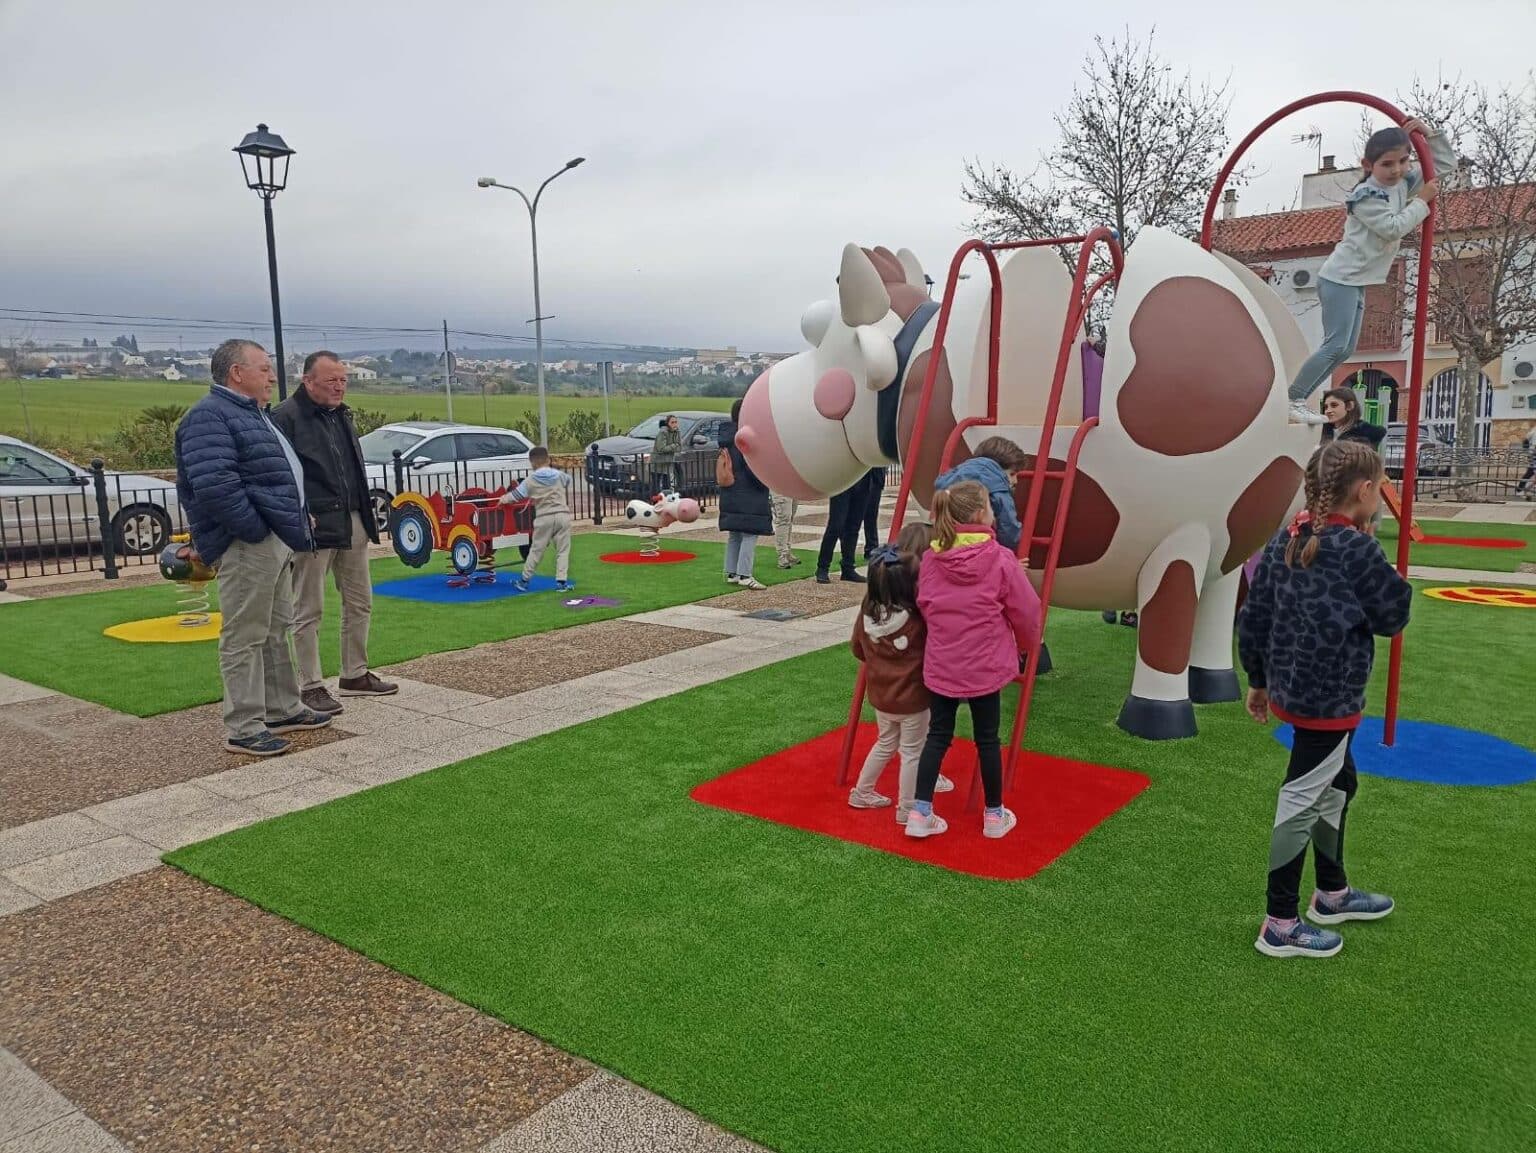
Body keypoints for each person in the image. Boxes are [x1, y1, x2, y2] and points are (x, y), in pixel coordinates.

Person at [1238, 440, 1413, 959]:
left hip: (1298, 690)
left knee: (1339, 783)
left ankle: (1332, 893)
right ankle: (1280, 922)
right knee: (1302, 797)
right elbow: (1393, 616)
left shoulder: (1287, 540)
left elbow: (1254, 615)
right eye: (1381, 487)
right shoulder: (1355, 550)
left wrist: (1258, 679)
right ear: (1365, 490)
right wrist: (1379, 557)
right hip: (1330, 698)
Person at [174, 339, 331, 757]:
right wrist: (256, 529)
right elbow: (215, 486)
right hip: (247, 544)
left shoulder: (251, 413)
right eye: (264, 369)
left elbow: (269, 477)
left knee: (275, 627)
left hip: (272, 539)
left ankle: (281, 708)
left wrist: (290, 518)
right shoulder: (210, 417)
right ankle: (244, 727)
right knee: (244, 635)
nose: (272, 377)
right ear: (236, 373)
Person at [1286, 121, 1455, 425]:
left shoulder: (1400, 184)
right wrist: (1421, 201)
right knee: (1335, 345)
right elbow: (1392, 228)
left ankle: (1299, 400)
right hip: (1339, 278)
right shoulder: (1366, 196)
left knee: (1345, 349)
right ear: (1368, 165)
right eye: (1387, 164)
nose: (1397, 170)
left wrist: (1430, 135)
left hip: (1357, 280)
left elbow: (1442, 167)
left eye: (1403, 161)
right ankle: (1293, 398)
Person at [904, 480, 1042, 841]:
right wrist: (1026, 646)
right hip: (984, 664)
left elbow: (925, 603)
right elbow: (1027, 611)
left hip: (944, 661)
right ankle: (993, 815)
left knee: (938, 735)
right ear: (981, 514)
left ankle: (920, 812)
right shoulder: (1000, 559)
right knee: (987, 739)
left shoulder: (932, 558)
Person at [271, 351, 397, 714]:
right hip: (313, 525)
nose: (339, 386)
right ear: (308, 381)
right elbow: (279, 473)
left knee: (360, 601)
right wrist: (298, 514)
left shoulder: (341, 414)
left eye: (343, 380)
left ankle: (354, 673)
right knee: (308, 608)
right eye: (331, 380)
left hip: (352, 519)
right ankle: (310, 684)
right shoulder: (285, 417)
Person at [847, 543, 954, 821]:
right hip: (913, 698)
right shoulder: (917, 619)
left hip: (882, 696)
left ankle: (862, 791)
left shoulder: (867, 614)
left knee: (885, 743)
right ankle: (907, 808)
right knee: (912, 752)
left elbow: (857, 648)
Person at [933, 436, 1028, 554]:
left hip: (946, 544)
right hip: (985, 550)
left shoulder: (950, 479)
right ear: (998, 468)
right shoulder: (999, 490)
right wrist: (1007, 554)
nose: (1015, 481)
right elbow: (1008, 528)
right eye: (1012, 474)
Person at [501, 446, 574, 592]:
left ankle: (524, 581)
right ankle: (561, 583)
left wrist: (503, 499)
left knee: (536, 550)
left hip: (544, 518)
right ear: (548, 459)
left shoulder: (530, 480)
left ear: (532, 463)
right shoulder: (559, 475)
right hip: (562, 516)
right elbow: (568, 480)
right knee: (563, 551)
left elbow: (515, 496)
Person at [717, 397, 771, 590]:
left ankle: (732, 571)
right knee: (749, 534)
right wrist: (766, 481)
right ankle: (745, 574)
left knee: (735, 534)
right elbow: (752, 467)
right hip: (749, 493)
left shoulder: (726, 438)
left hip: (730, 491)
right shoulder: (746, 438)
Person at [815, 473, 870, 585]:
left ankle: (848, 567)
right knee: (835, 526)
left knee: (854, 527)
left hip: (864, 480)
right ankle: (823, 567)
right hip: (842, 480)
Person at [651, 414, 683, 494]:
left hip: (668, 462)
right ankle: (655, 500)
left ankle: (666, 500)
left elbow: (679, 448)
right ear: (667, 423)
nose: (674, 424)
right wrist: (674, 445)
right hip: (658, 462)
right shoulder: (663, 432)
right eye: (672, 422)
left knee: (667, 486)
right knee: (656, 486)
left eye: (676, 422)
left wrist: (674, 446)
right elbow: (661, 448)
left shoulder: (677, 432)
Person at [861, 466, 888, 558]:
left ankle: (872, 547)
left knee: (871, 515)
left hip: (876, 478)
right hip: (863, 477)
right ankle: (870, 547)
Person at [770, 491, 801, 569]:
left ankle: (787, 552)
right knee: (783, 520)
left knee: (789, 520)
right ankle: (782, 555)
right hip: (779, 489)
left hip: (793, 488)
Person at [1515, 425, 1535, 500]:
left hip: (1532, 454)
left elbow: (1526, 441)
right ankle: (1520, 490)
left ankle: (1522, 490)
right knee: (1530, 472)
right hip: (1534, 454)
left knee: (1530, 472)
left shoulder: (1533, 430)